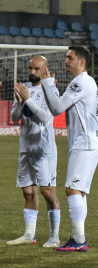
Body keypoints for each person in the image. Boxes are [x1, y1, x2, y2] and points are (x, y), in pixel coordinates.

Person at [39, 45, 98, 252]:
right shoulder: (82, 82)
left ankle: (79, 240)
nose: (66, 61)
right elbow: (57, 104)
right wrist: (51, 88)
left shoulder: (81, 82)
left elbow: (56, 108)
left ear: (82, 63)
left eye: (70, 58)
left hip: (85, 143)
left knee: (72, 189)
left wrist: (47, 84)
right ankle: (77, 237)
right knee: (79, 192)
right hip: (88, 142)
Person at [7, 55, 61, 247]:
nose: (32, 72)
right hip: (26, 148)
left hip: (44, 149)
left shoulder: (50, 90)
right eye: (30, 68)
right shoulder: (24, 88)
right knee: (28, 192)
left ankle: (54, 236)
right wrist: (20, 102)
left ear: (45, 70)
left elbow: (46, 117)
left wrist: (28, 100)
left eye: (36, 69)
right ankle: (29, 234)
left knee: (47, 191)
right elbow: (14, 118)